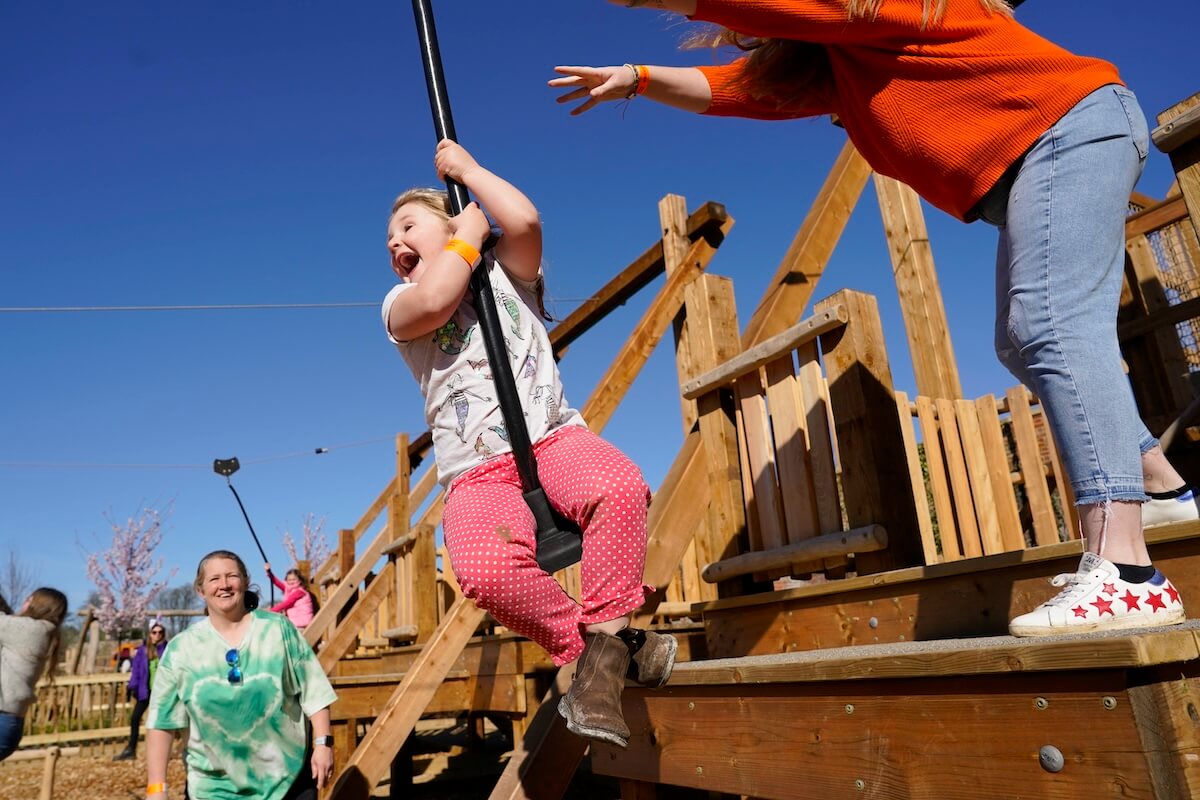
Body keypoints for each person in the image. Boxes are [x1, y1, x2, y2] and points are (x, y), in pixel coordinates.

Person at [551, 0, 1196, 637]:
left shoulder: (891, 5)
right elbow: (737, 90)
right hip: (1046, 156)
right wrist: (638, 76)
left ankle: (1128, 571)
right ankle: (1160, 488)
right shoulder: (846, 62)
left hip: (1070, 129)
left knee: (1051, 327)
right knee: (1022, 340)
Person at [380, 138, 678, 747]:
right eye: (388, 239)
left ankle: (602, 658)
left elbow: (524, 220)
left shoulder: (506, 271)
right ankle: (608, 649)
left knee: (619, 486)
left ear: (454, 218)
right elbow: (437, 299)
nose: (392, 243)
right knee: (484, 571)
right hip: (475, 471)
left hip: (551, 437)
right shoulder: (399, 305)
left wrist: (468, 173)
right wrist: (462, 238)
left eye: (408, 225)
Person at [144, 550, 337, 800]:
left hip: (286, 783)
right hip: (212, 790)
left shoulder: (278, 630)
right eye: (214, 579)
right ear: (201, 590)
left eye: (231, 576)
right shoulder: (181, 649)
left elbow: (314, 690)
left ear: (245, 582)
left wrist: (323, 744)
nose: (224, 584)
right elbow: (162, 721)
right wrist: (156, 787)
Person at [0, 587, 68, 761]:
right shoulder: (43, 631)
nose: (24, 602)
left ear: (37, 605)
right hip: (9, 723)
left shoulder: (28, 629)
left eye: (29, 599)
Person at [112, 619, 169, 761]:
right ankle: (131, 749)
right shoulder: (142, 651)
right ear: (149, 634)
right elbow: (136, 671)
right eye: (154, 632)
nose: (157, 635)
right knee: (135, 718)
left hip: (162, 692)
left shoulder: (167, 649)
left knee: (163, 721)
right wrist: (132, 687)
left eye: (160, 632)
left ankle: (166, 750)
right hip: (146, 690)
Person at [264, 564, 317, 632]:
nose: (291, 581)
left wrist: (271, 611)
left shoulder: (300, 591)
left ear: (299, 580)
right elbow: (277, 583)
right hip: (296, 621)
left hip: (302, 622)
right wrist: (269, 572)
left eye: (294, 579)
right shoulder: (289, 590)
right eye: (289, 580)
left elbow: (287, 603)